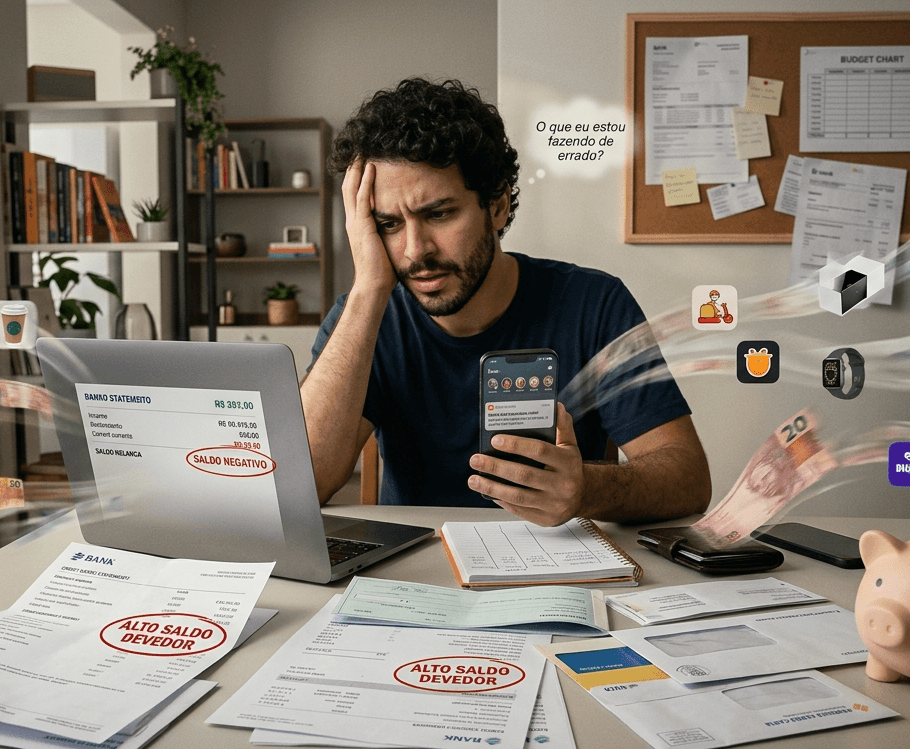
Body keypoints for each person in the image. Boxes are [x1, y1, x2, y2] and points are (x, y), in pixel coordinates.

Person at [302, 77, 712, 526]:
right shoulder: (363, 317)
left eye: (438, 214)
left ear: (496, 206)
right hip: (413, 579)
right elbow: (306, 484)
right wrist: (367, 291)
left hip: (558, 573)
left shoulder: (594, 304)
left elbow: (688, 478)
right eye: (388, 224)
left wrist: (587, 489)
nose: (415, 250)